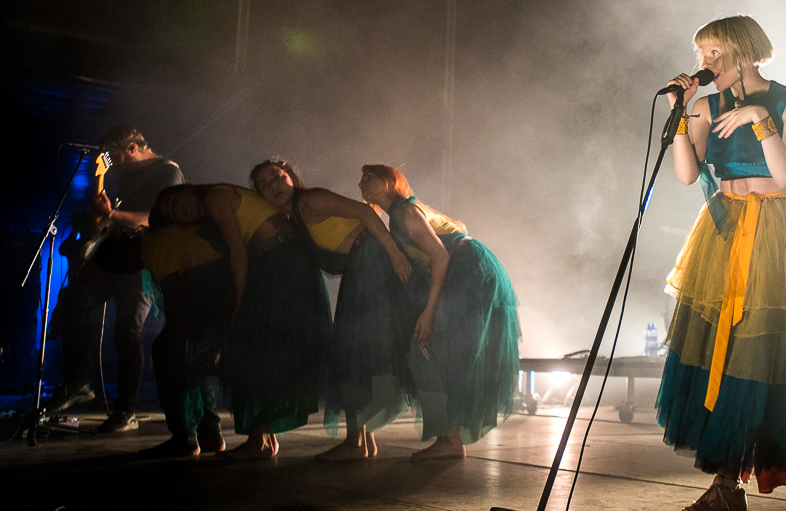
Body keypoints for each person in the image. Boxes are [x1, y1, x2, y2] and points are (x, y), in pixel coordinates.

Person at [656, 16, 786, 511]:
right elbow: (687, 174)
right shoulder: (704, 106)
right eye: (702, 54)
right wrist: (680, 115)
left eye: (714, 53)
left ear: (744, 52)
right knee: (725, 349)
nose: (704, 63)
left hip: (776, 232)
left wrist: (760, 118)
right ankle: (725, 487)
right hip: (724, 230)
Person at [153, 182, 331, 459]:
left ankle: (259, 441)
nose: (177, 210)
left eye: (174, 201)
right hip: (282, 263)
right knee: (262, 353)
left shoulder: (214, 197)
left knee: (252, 352)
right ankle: (264, 439)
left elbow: (238, 250)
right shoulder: (211, 214)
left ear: (188, 190)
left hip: (279, 265)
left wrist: (239, 305)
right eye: (171, 213)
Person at [250, 159, 412, 460]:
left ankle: (356, 442)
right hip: (360, 270)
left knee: (353, 352)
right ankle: (362, 440)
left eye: (277, 176)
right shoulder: (294, 217)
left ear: (291, 176)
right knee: (357, 353)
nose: (273, 185)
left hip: (371, 265)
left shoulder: (310, 199)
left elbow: (366, 211)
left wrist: (394, 254)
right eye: (265, 184)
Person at [358, 165, 520, 461]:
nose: (362, 183)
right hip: (467, 270)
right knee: (432, 352)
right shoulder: (399, 214)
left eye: (370, 177)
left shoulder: (403, 211)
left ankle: (449, 440)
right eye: (361, 179)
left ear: (391, 181)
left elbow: (441, 255)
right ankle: (449, 438)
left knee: (430, 349)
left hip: (468, 272)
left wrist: (429, 311)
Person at [48, 125, 184, 432]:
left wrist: (111, 214)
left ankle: (126, 410)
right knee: (74, 299)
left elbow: (152, 219)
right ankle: (77, 382)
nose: (113, 161)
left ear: (133, 148)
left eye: (116, 155)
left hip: (143, 260)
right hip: (115, 254)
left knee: (127, 332)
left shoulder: (168, 173)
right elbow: (117, 217)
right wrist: (100, 222)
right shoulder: (126, 175)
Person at [138, 221, 232, 457]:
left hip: (218, 300)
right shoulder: (164, 239)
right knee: (191, 356)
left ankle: (185, 437)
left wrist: (179, 349)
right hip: (220, 298)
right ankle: (210, 433)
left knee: (170, 351)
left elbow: (175, 302)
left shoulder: (155, 244)